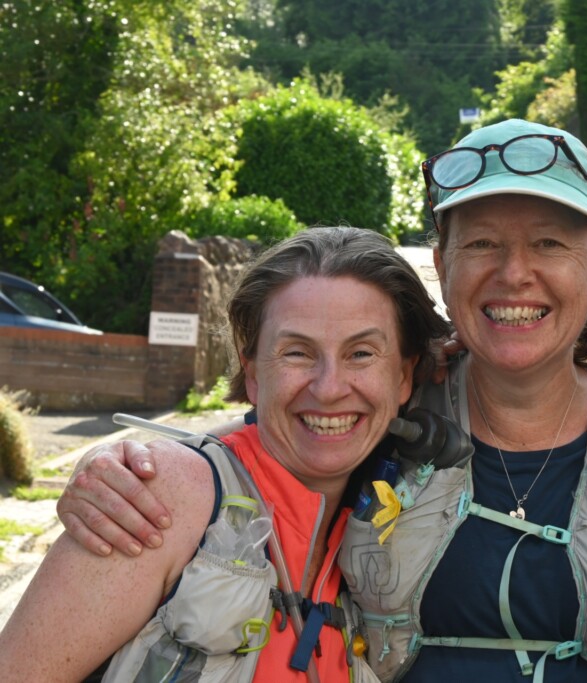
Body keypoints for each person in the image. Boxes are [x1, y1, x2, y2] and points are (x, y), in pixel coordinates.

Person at [54, 119, 587, 682]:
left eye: (548, 243)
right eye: (483, 243)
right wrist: (127, 468)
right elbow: (249, 453)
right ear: (444, 262)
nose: (514, 272)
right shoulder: (380, 419)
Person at [0, 227, 450, 682]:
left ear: (403, 377)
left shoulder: (376, 532)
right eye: (297, 352)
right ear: (252, 373)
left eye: (361, 353)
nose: (329, 387)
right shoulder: (164, 496)